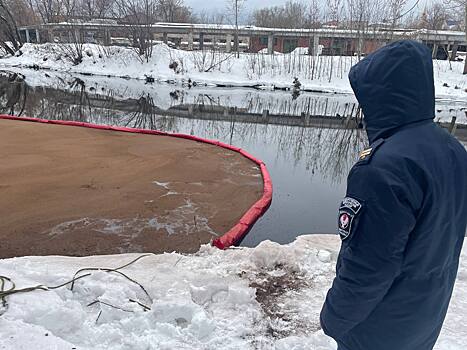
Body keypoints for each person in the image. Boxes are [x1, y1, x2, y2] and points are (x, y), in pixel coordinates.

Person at [320, 40, 467, 350]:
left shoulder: (382, 169)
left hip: (377, 332)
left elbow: (368, 267)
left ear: (380, 94)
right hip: (422, 319)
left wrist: (333, 319)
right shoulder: (453, 150)